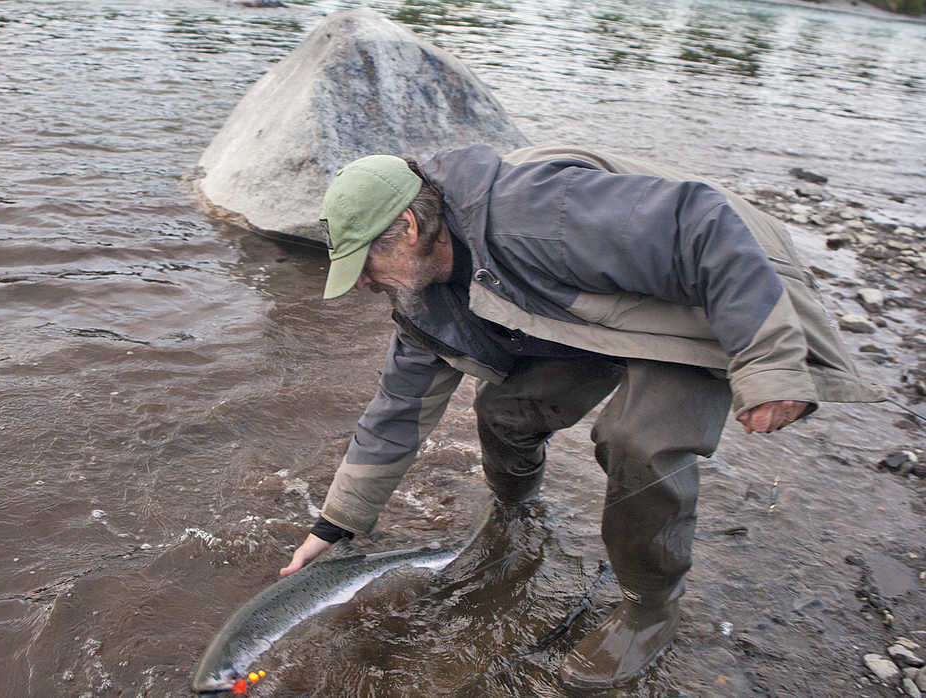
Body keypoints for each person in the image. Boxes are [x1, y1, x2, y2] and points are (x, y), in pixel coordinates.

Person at [278, 144, 883, 689]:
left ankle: (649, 605)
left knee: (637, 440)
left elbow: (703, 224)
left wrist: (768, 364)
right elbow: (398, 411)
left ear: (408, 227)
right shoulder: (421, 295)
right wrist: (337, 525)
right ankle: (515, 513)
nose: (364, 286)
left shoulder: (536, 215)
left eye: (365, 267)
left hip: (711, 289)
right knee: (504, 411)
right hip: (592, 313)